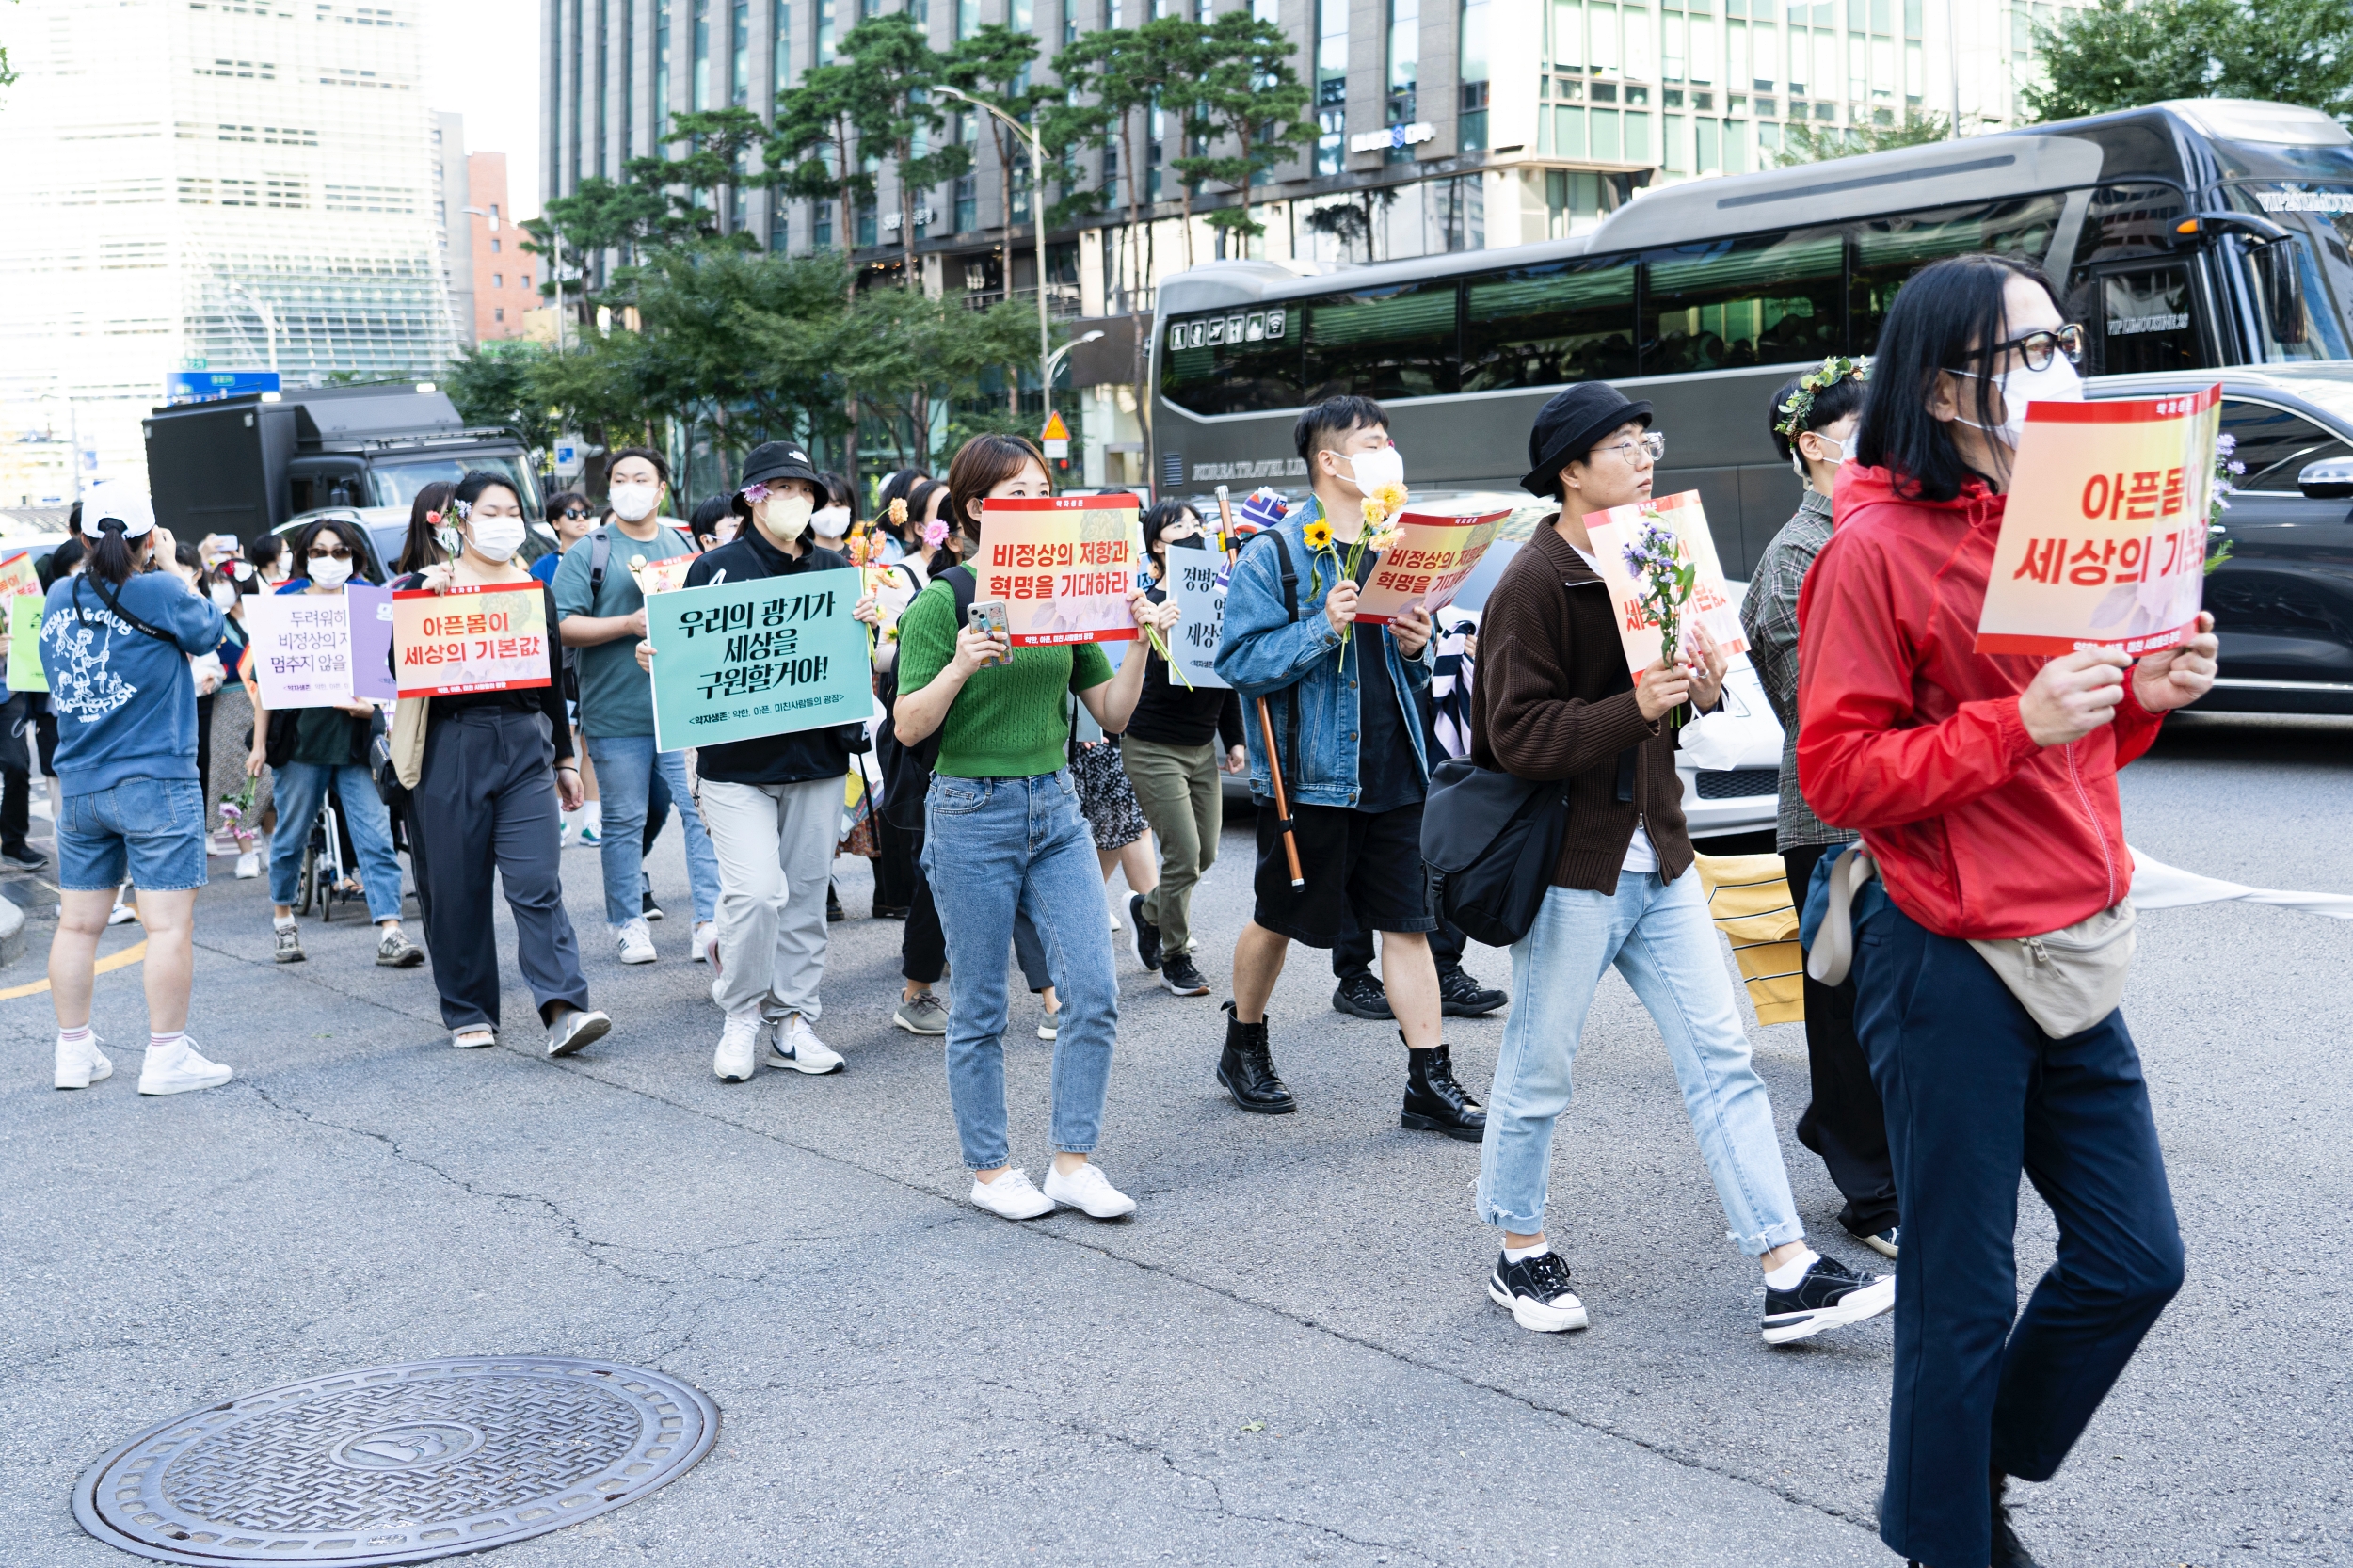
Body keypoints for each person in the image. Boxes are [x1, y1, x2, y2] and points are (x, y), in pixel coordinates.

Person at [1797, 254, 2213, 1568]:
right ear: (1941, 382)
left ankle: (1956, 1469)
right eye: (2022, 352)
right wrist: (2012, 720)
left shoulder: (2060, 516)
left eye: (2058, 341)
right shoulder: (1868, 548)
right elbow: (1839, 774)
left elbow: (2079, 752)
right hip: (1942, 951)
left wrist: (2148, 694)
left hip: (2076, 940)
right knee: (1964, 1291)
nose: (2055, 369)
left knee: (2137, 1256)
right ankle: (1951, 1533)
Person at [1463, 380, 1894, 1347]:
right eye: (1621, 443)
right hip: (1573, 866)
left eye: (1645, 437)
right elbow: (1514, 736)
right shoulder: (1533, 580)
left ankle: (1784, 1265)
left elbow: (1662, 707)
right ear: (1570, 471)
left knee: (1723, 1062)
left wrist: (1694, 692)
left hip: (1659, 854)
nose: (1645, 454)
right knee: (1539, 1070)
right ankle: (1517, 1244)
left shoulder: (1651, 549)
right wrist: (1643, 703)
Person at [891, 433, 1171, 1222]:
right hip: (969, 811)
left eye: (1044, 493)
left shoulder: (1064, 592)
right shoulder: (941, 602)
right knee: (981, 1005)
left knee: (1094, 990)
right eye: (1017, 497)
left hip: (1055, 803)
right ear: (978, 511)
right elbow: (910, 728)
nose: (1036, 510)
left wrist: (1142, 641)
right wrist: (960, 663)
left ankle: (1072, 1163)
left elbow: (1109, 713)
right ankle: (989, 1171)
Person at [1212, 395, 1482, 1138]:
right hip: (1314, 775)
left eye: (1389, 442)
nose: (1388, 453)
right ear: (1330, 461)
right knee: (1278, 918)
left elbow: (1409, 667)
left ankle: (1430, 1078)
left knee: (1408, 924)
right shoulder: (1277, 553)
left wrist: (1414, 644)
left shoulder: (1397, 543)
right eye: (1372, 443)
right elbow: (1238, 661)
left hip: (1397, 767)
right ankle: (1244, 1044)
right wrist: (1317, 626)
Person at [1736, 355, 1898, 1261]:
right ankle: (1869, 1194)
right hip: (1835, 819)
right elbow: (1820, 705)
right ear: (1814, 446)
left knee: (1892, 1001)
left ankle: (1855, 1137)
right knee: (1844, 1008)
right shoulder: (1799, 553)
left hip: (1902, 808)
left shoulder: (1884, 527)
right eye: (1863, 429)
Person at [638, 442, 858, 1083]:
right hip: (735, 765)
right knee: (756, 893)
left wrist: (866, 630)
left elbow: (848, 661)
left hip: (817, 759)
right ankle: (741, 1014)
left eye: (802, 489)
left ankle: (791, 1021)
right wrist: (660, 658)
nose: (793, 500)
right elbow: (685, 656)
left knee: (805, 897)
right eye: (779, 489)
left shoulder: (834, 568)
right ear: (753, 499)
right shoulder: (716, 569)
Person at [399, 470, 610, 1056]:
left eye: (512, 511)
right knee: (457, 886)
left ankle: (565, 1008)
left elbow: (549, 679)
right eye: (490, 512)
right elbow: (401, 665)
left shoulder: (531, 589)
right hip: (451, 744)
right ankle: (468, 1007)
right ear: (460, 520)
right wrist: (425, 596)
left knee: (537, 882)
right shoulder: (424, 585)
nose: (504, 523)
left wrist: (564, 757)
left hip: (524, 745)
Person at [40, 482, 233, 1096]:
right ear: (150, 538)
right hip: (155, 781)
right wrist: (176, 568)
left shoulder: (57, 595)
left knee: (76, 926)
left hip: (80, 784)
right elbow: (210, 634)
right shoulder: (158, 589)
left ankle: (74, 1054)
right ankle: (166, 1057)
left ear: (83, 538)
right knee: (168, 927)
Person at [553, 447, 721, 966]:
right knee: (624, 819)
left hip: (682, 708)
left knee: (701, 813)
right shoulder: (591, 550)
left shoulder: (684, 547)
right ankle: (628, 922)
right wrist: (628, 624)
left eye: (641, 477)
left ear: (662, 488)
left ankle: (709, 921)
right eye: (620, 478)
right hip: (616, 710)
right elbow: (560, 624)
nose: (631, 486)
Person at [246, 516, 425, 968]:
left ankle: (390, 929)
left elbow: (392, 673)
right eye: (320, 552)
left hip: (355, 743)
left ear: (355, 556)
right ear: (304, 556)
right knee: (289, 835)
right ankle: (284, 920)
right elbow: (267, 679)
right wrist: (259, 744)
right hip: (301, 744)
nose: (330, 560)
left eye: (340, 551)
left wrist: (376, 711)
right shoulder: (284, 604)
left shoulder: (369, 602)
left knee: (376, 836)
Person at [1119, 500, 1244, 998]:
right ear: (1156, 544)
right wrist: (1153, 635)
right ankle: (1176, 954)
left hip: (1201, 748)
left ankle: (1147, 911)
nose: (1192, 532)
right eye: (1178, 526)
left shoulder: (1221, 595)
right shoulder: (1145, 602)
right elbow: (1127, 680)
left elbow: (1225, 674)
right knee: (1185, 854)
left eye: (1197, 524)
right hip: (1152, 746)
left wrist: (1232, 738)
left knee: (1206, 853)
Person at [533, 490, 597, 584]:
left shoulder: (604, 559)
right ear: (556, 523)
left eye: (585, 513)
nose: (581, 518)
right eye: (572, 514)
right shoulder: (542, 568)